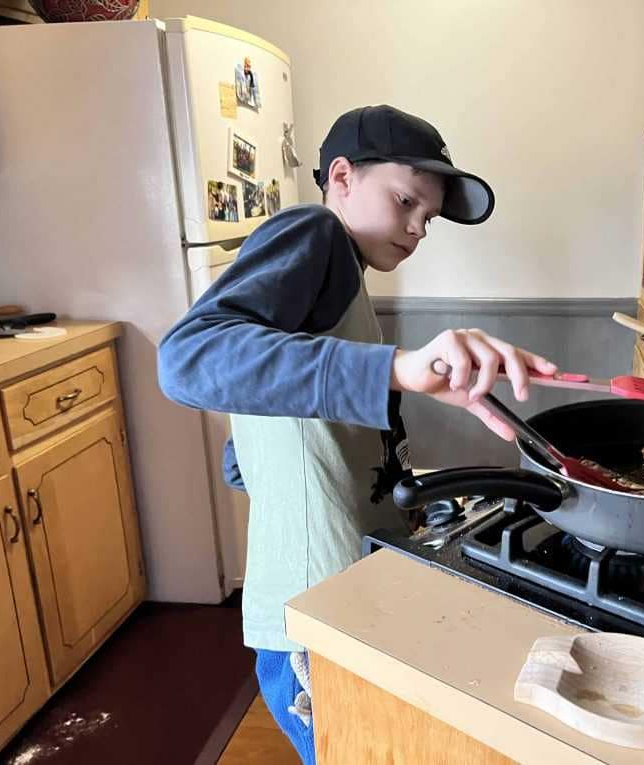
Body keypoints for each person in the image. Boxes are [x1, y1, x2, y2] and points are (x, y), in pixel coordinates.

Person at [157, 105, 557, 762]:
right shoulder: (312, 232)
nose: (418, 226)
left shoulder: (341, 273)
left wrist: (282, 455)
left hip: (337, 596)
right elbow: (186, 357)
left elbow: (255, 437)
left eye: (427, 217)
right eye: (406, 201)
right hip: (315, 621)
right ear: (342, 176)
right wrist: (396, 367)